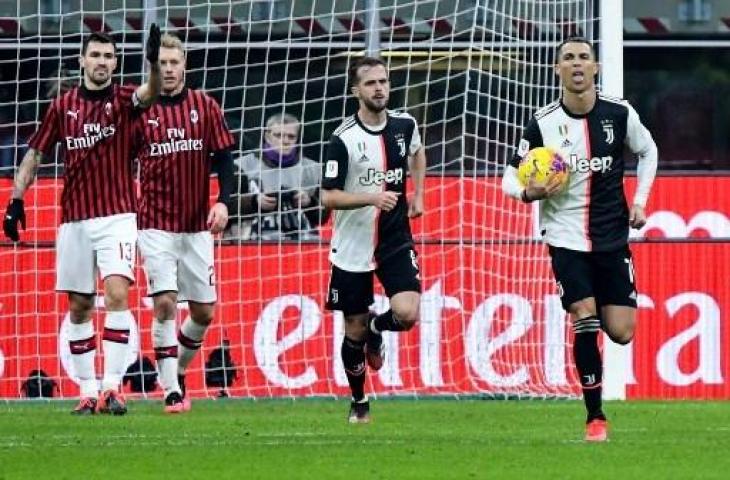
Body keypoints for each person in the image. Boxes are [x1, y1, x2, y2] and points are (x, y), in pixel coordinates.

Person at [502, 37, 658, 442]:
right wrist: (528, 192)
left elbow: (649, 150)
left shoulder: (619, 114)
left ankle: (595, 385)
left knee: (621, 330)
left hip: (611, 236)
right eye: (567, 58)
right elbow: (508, 177)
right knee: (583, 316)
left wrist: (640, 203)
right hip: (565, 236)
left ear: (595, 68)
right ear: (557, 70)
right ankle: (595, 417)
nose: (575, 64)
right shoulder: (542, 123)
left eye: (583, 58)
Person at [2, 27, 161, 415]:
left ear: (115, 62)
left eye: (109, 56)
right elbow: (35, 154)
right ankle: (88, 391)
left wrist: (154, 65)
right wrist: (15, 199)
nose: (102, 62)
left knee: (118, 294)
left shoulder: (125, 100)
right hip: (74, 218)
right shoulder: (63, 106)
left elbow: (152, 92)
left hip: (118, 215)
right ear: (83, 60)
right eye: (96, 55)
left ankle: (111, 388)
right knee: (79, 305)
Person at [133, 33, 235, 413]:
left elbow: (225, 159)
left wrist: (224, 202)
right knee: (164, 304)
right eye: (162, 63)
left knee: (204, 313)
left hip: (196, 226)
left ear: (185, 65)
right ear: (154, 68)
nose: (169, 69)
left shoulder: (204, 106)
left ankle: (175, 371)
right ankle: (172, 391)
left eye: (174, 62)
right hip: (155, 224)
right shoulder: (141, 110)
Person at [321, 57, 426, 423]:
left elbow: (417, 151)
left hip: (394, 237)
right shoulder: (343, 138)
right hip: (352, 245)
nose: (379, 88)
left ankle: (378, 330)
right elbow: (328, 197)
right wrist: (371, 197)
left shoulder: (404, 124)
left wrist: (419, 196)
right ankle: (359, 400)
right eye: (370, 84)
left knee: (408, 312)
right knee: (353, 328)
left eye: (383, 82)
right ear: (356, 91)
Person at [227, 113, 324, 240]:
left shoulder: (313, 169)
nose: (285, 141)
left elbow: (323, 217)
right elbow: (227, 208)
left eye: (291, 136)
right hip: (252, 242)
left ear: (298, 139)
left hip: (303, 241)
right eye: (278, 135)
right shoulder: (242, 166)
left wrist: (310, 203)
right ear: (267, 136)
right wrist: (255, 202)